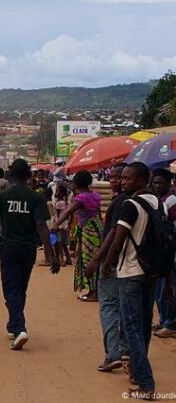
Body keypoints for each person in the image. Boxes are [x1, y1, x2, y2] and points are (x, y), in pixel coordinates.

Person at [0, 159, 60, 350]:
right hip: (28, 249)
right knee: (21, 287)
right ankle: (14, 324)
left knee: (11, 288)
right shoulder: (35, 198)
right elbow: (42, 226)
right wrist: (50, 255)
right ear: (29, 175)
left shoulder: (2, 197)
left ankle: (19, 328)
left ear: (10, 175)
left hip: (8, 247)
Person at [103, 162, 157, 398]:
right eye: (122, 178)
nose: (123, 181)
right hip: (151, 272)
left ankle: (146, 384)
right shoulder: (158, 203)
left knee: (132, 328)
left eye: (128, 178)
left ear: (142, 180)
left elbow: (118, 238)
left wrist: (106, 264)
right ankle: (136, 371)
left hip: (131, 272)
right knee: (144, 326)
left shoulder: (130, 205)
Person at [85, 163, 130, 373]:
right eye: (112, 177)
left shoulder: (121, 202)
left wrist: (99, 260)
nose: (114, 181)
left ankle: (113, 354)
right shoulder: (147, 201)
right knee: (126, 308)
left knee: (110, 307)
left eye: (119, 177)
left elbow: (113, 233)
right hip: (134, 267)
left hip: (115, 262)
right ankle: (126, 349)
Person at [51, 170, 102, 302]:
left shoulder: (81, 198)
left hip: (87, 232)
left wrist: (55, 225)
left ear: (76, 184)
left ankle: (93, 292)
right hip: (97, 230)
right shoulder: (95, 196)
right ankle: (94, 290)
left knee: (87, 261)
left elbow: (68, 212)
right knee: (94, 260)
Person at [149, 168, 176, 339]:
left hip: (171, 253)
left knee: (170, 288)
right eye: (155, 182)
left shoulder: (171, 202)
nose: (157, 185)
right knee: (160, 290)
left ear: (168, 184)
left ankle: (170, 323)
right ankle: (163, 319)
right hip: (161, 253)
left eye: (161, 182)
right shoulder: (159, 201)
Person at [51, 184, 73, 266]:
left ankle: (61, 259)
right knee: (63, 243)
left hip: (59, 225)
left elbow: (58, 215)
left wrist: (55, 224)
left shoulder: (59, 203)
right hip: (64, 225)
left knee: (58, 242)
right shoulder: (65, 202)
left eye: (57, 191)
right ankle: (68, 258)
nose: (55, 192)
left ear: (61, 194)